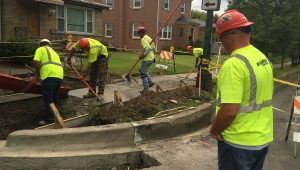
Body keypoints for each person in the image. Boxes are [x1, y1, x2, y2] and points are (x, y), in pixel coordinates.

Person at [209, 10, 273, 170]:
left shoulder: (234, 64)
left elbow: (230, 110)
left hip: (238, 143)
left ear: (230, 35)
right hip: (262, 139)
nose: (221, 43)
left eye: (221, 38)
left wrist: (214, 130)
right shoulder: (261, 58)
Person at [32, 39, 64, 125]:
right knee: (54, 97)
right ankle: (55, 117)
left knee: (48, 98)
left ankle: (49, 120)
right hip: (59, 75)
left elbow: (35, 62)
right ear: (50, 45)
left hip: (49, 75)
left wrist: (37, 72)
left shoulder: (40, 49)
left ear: (41, 44)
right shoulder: (54, 52)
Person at [137, 26, 156, 93]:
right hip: (151, 58)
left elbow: (147, 48)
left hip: (147, 59)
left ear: (140, 33)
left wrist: (143, 55)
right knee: (142, 69)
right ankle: (150, 82)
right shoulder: (149, 38)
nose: (138, 35)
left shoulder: (143, 39)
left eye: (138, 34)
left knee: (143, 74)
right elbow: (154, 48)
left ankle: (146, 89)